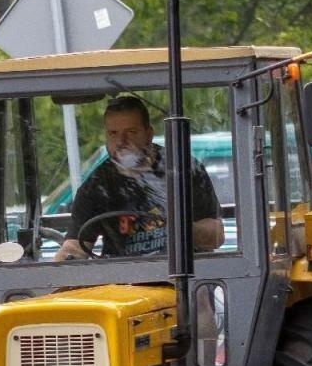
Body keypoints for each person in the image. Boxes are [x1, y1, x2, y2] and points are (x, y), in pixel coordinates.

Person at [53, 96, 223, 260]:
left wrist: (184, 229)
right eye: (113, 133)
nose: (122, 141)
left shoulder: (183, 169)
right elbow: (74, 248)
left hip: (181, 277)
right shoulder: (96, 186)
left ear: (149, 134)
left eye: (131, 132)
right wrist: (51, 281)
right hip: (123, 282)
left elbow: (217, 235)